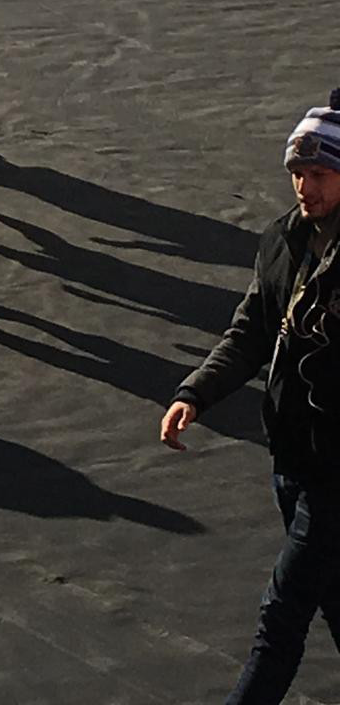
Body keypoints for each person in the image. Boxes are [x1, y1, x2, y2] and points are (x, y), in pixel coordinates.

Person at [162, 91, 340, 705]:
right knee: (333, 596)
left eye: (320, 175)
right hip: (291, 457)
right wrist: (196, 393)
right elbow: (251, 332)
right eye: (297, 173)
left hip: (334, 472)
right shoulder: (284, 240)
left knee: (282, 615)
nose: (305, 188)